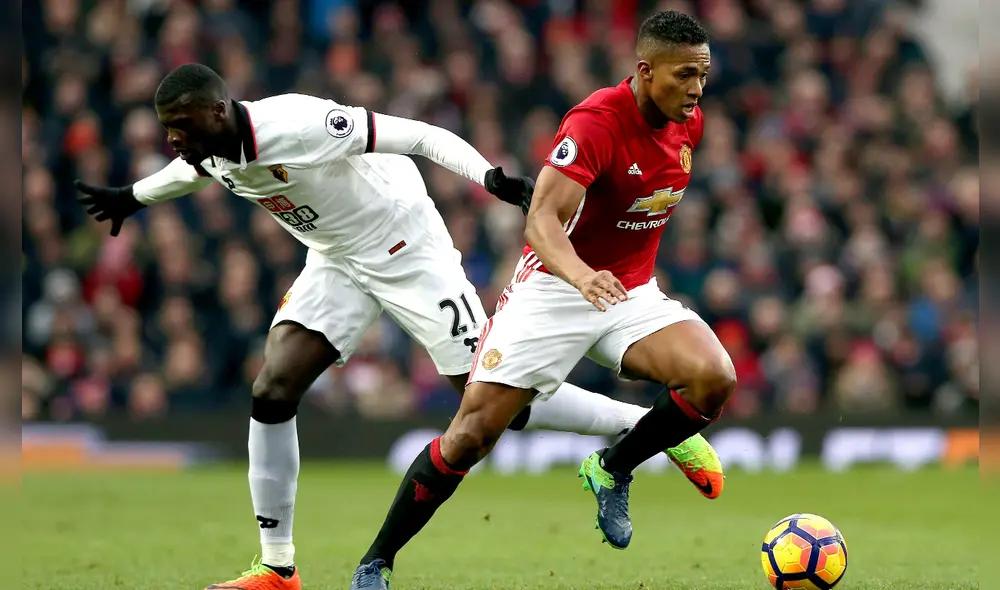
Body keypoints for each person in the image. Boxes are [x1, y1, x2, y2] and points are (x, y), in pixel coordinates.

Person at [75, 63, 725, 590]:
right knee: (272, 391)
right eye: (169, 131)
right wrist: (131, 198)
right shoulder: (208, 149)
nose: (173, 141)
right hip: (335, 260)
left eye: (181, 127)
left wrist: (490, 177)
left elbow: (415, 135)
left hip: (406, 248)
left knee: (493, 407)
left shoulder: (298, 124)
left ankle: (630, 428)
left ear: (218, 113)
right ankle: (277, 567)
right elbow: (189, 171)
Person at [348, 11, 734, 589]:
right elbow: (542, 219)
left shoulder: (690, 123)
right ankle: (375, 561)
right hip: (556, 287)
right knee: (472, 434)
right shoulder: (596, 122)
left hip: (628, 292)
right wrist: (580, 275)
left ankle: (611, 469)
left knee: (713, 378)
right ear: (646, 71)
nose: (697, 89)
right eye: (685, 75)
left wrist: (608, 280)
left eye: (703, 75)